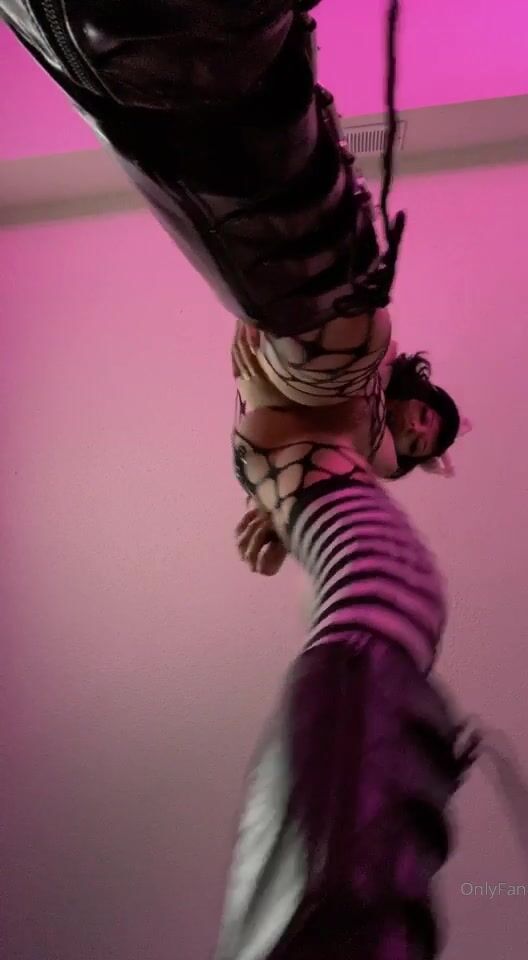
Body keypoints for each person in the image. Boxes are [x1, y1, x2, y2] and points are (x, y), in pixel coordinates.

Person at [0, 2, 480, 956]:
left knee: (392, 575)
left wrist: (297, 499)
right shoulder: (373, 370)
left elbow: (353, 461)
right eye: (430, 416)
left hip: (293, 429)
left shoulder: (374, 442)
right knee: (356, 342)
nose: (422, 430)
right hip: (301, 391)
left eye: (428, 439)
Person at [230, 317, 465, 574]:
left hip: (272, 433)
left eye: (416, 444)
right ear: (417, 395)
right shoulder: (371, 357)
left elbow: (325, 484)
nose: (413, 428)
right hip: (273, 364)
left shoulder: (365, 453)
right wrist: (259, 316)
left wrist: (285, 519)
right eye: (424, 416)